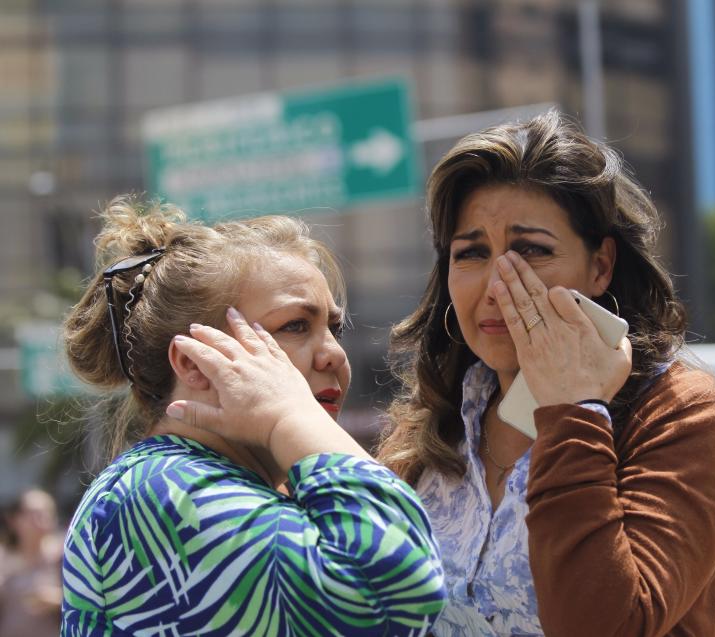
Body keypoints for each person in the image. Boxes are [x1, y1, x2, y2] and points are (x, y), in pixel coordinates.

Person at [376, 110, 715, 636]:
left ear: (600, 266)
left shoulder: (680, 413)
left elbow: (606, 624)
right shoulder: (431, 427)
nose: (498, 284)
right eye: (472, 253)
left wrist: (573, 410)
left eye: (531, 250)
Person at [60, 196, 446, 635]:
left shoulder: (218, 481)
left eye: (334, 329)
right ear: (193, 363)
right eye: (295, 326)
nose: (334, 355)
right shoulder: (164, 489)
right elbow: (398, 591)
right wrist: (288, 416)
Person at [0, 488, 63, 636]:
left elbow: (86, 602)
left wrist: (56, 600)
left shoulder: (62, 557)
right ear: (14, 519)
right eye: (34, 514)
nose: (41, 519)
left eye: (47, 513)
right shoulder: (3, 557)